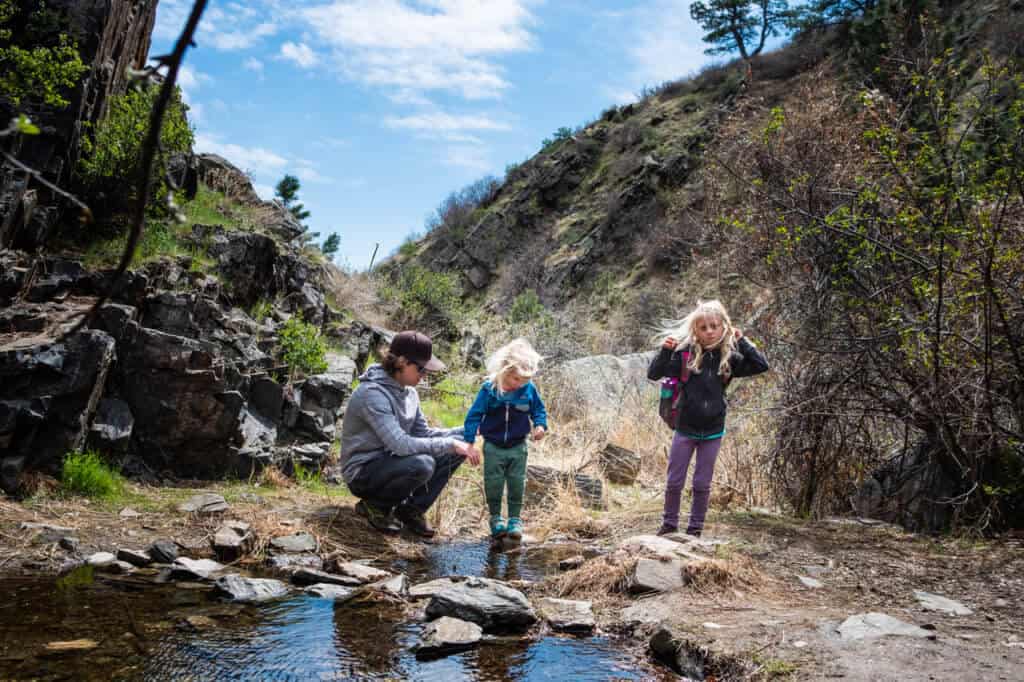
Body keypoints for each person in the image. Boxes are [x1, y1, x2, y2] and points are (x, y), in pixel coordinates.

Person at [339, 331, 481, 537]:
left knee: (461, 443)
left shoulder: (410, 393)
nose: (424, 375)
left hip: (392, 462)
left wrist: (466, 432)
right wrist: (450, 444)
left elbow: (424, 433)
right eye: (421, 368)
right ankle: (375, 506)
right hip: (363, 473)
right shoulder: (371, 394)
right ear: (402, 362)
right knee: (423, 463)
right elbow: (400, 444)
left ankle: (411, 510)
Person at [647, 300, 769, 537]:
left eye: (714, 326)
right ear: (695, 330)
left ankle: (695, 531)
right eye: (703, 328)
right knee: (674, 481)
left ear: (724, 327)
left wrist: (741, 340)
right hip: (685, 428)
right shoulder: (684, 355)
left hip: (713, 430)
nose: (709, 331)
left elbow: (761, 365)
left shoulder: (730, 358)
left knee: (702, 485)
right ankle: (669, 526)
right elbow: (653, 373)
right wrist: (665, 350)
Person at [463, 338, 548, 542]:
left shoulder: (528, 390)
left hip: (518, 446)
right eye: (515, 380)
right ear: (504, 371)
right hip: (493, 446)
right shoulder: (489, 389)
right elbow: (474, 415)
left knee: (517, 483)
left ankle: (515, 520)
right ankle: (495, 519)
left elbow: (539, 410)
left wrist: (540, 426)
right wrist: (470, 443)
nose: (519, 385)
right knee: (493, 483)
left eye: (524, 381)